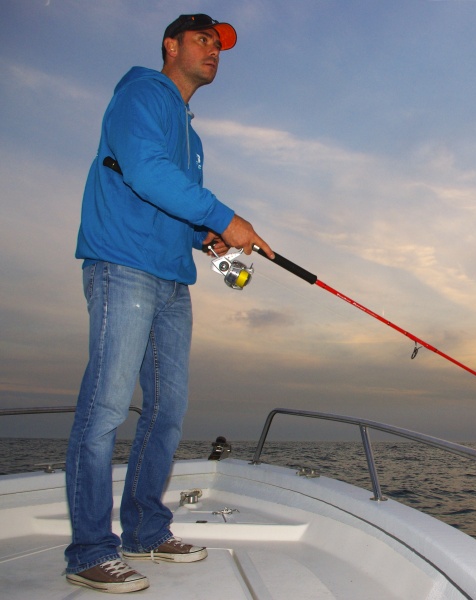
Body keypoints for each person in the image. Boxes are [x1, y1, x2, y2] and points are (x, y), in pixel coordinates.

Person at [65, 14, 274, 593]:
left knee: (167, 411)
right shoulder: (141, 93)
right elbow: (143, 170)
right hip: (122, 267)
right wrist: (225, 219)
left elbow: (168, 202)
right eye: (203, 40)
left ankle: (145, 531)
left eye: (220, 46)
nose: (213, 51)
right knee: (106, 407)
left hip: (171, 278)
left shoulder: (193, 136)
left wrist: (202, 234)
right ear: (171, 45)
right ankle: (87, 550)